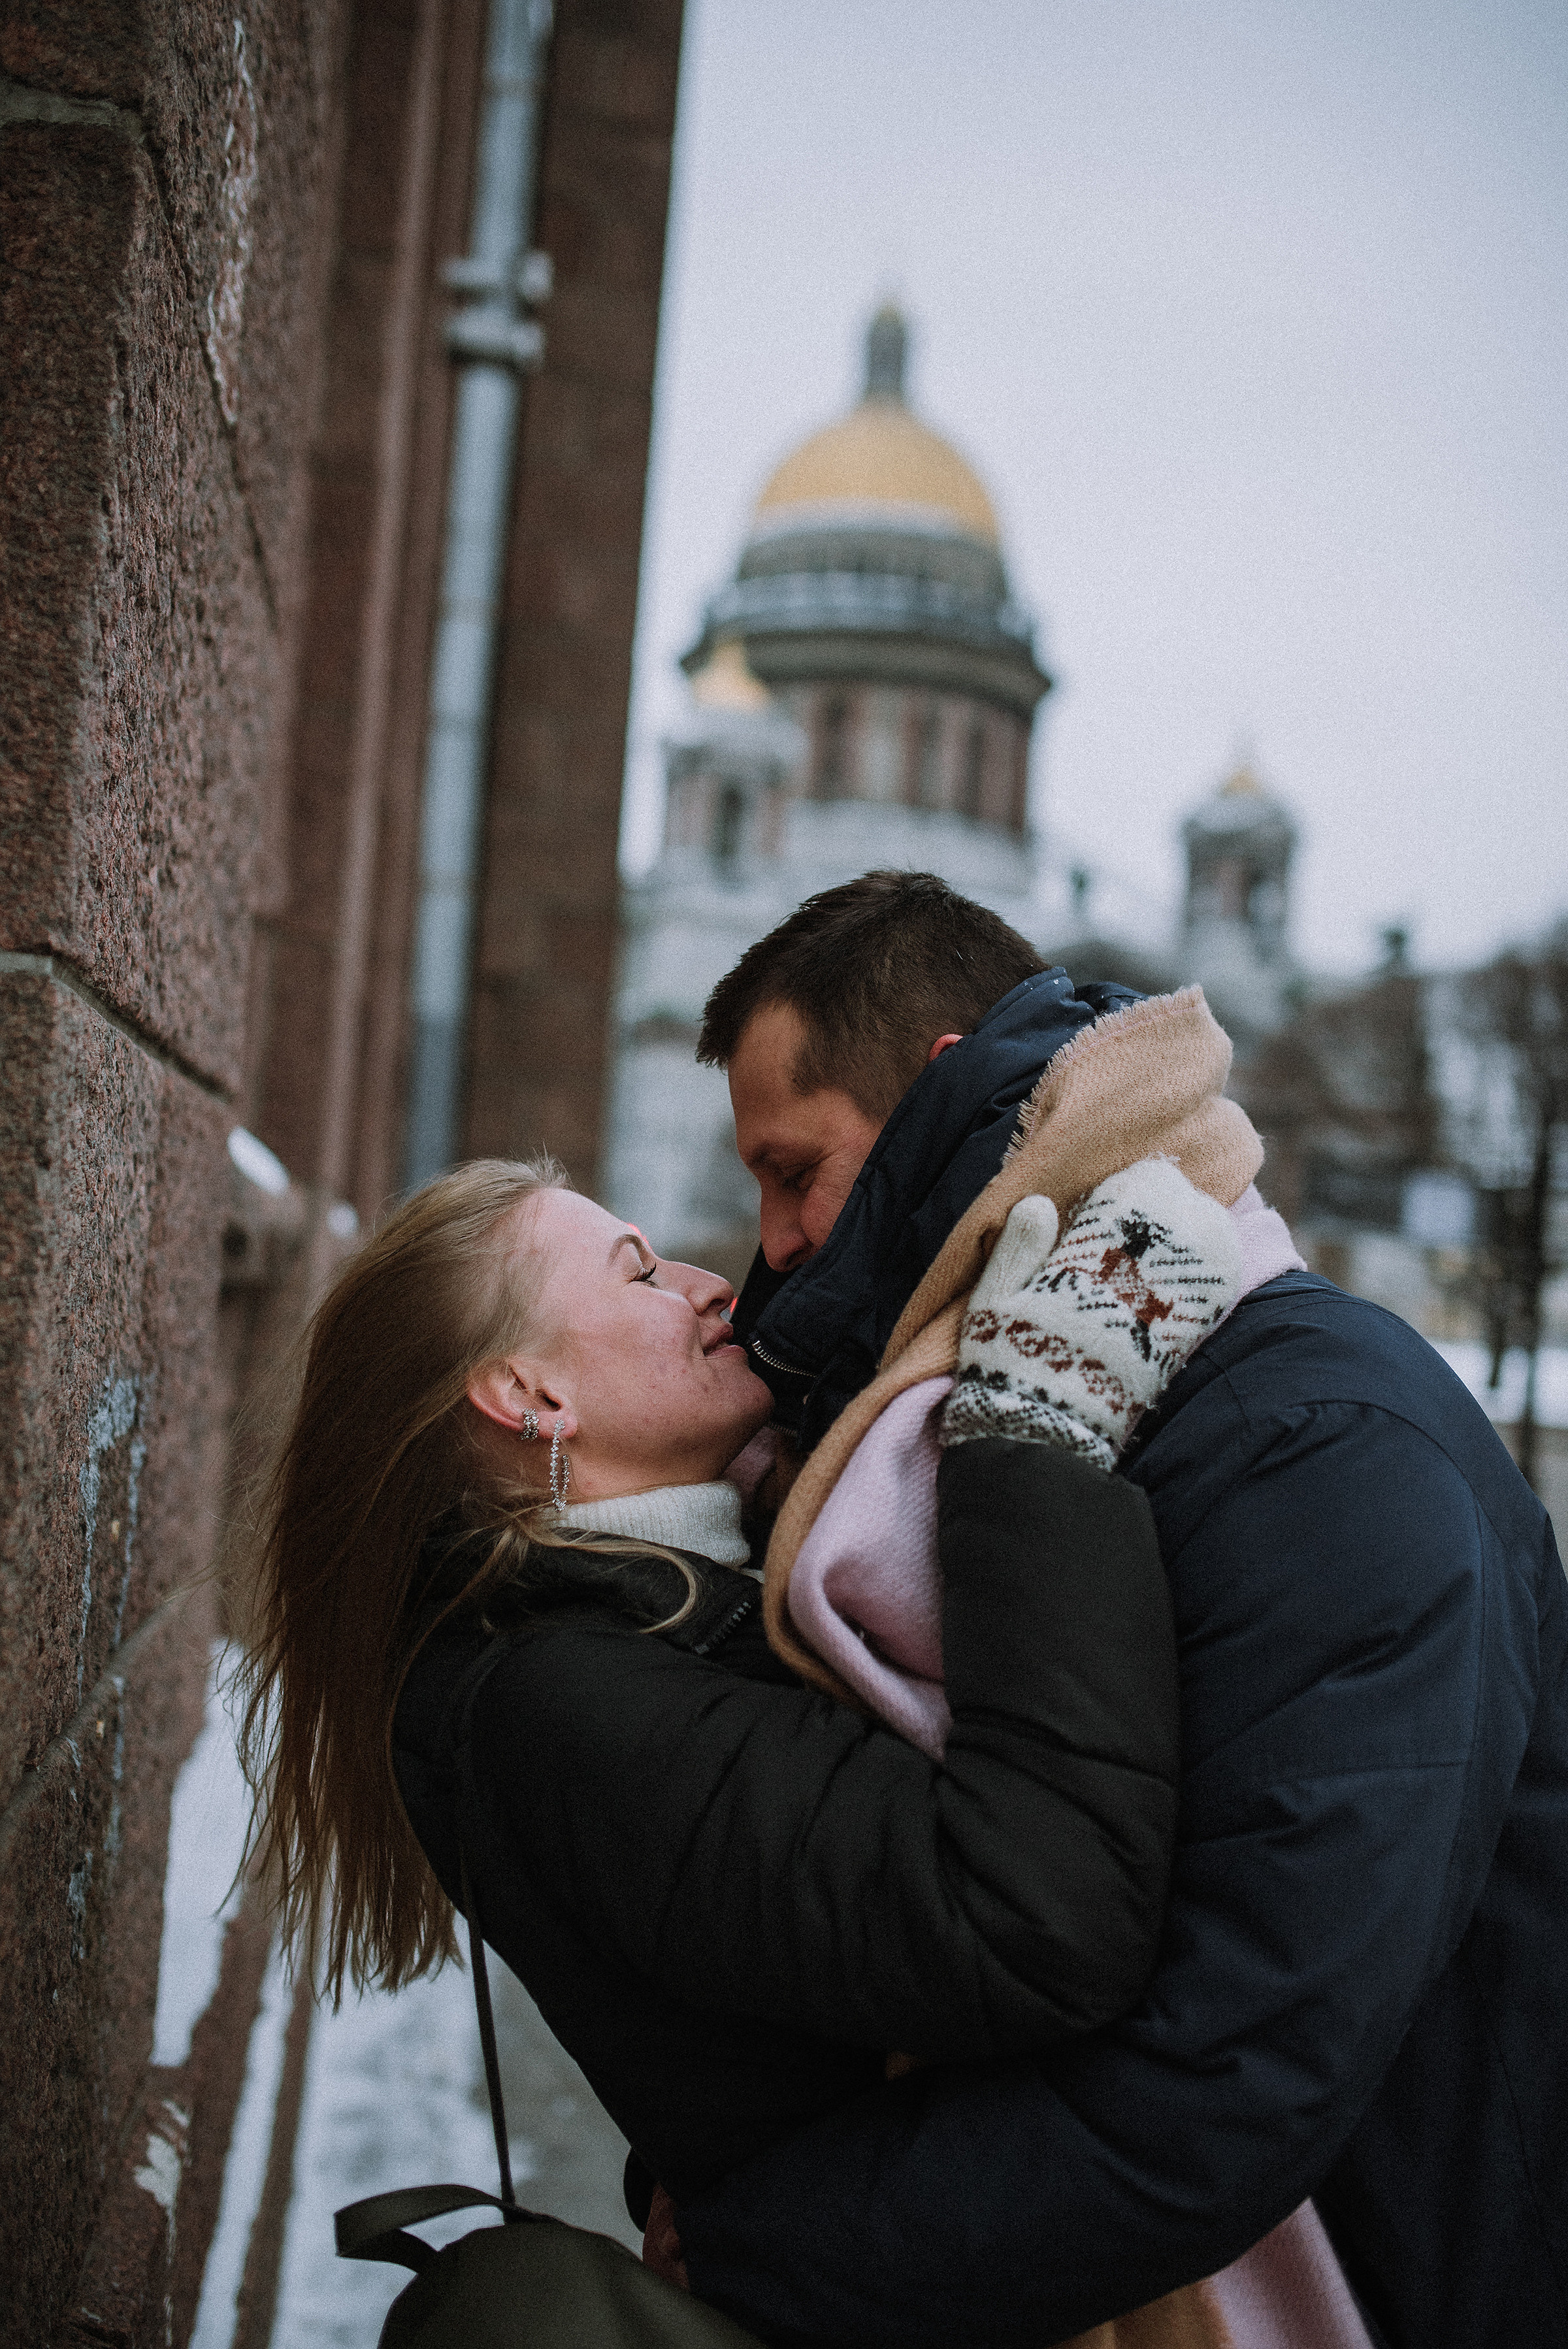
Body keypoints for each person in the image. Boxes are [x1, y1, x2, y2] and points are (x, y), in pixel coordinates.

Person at [654, 870, 1568, 2349]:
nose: (772, 1248)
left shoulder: (1327, 1448)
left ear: (945, 1099)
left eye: (796, 1171)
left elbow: (1232, 2076)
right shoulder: (1052, 1405)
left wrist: (770, 2239)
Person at [236, 1151, 1238, 2262]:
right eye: (638, 1274)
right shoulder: (559, 1704)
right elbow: (1028, 1916)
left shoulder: (634, 1621)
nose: (708, 1283)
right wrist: (1036, 1426)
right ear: (531, 1397)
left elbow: (726, 1999)